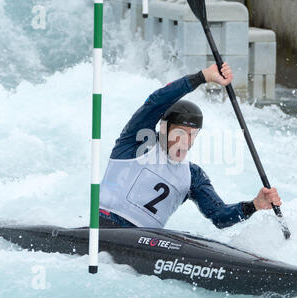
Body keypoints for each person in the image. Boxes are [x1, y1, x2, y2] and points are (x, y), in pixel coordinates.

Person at [99, 62, 281, 228]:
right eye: (179, 133)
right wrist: (202, 77)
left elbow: (219, 216)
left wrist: (254, 205)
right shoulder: (136, 142)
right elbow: (156, 101)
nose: (185, 142)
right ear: (163, 129)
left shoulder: (192, 176)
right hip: (104, 225)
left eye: (192, 135)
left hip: (145, 243)